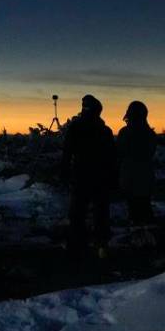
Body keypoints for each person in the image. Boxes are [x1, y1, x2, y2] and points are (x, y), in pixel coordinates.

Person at [61, 94, 116, 258]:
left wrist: (64, 170)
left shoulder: (75, 128)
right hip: (100, 176)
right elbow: (112, 156)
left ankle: (77, 244)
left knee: (78, 211)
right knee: (100, 211)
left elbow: (67, 151)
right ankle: (101, 244)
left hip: (81, 175)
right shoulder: (105, 130)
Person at [116, 100, 156, 225]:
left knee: (134, 209)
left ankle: (139, 235)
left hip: (130, 177)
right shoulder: (150, 134)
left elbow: (119, 153)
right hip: (145, 177)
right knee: (145, 207)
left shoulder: (125, 133)